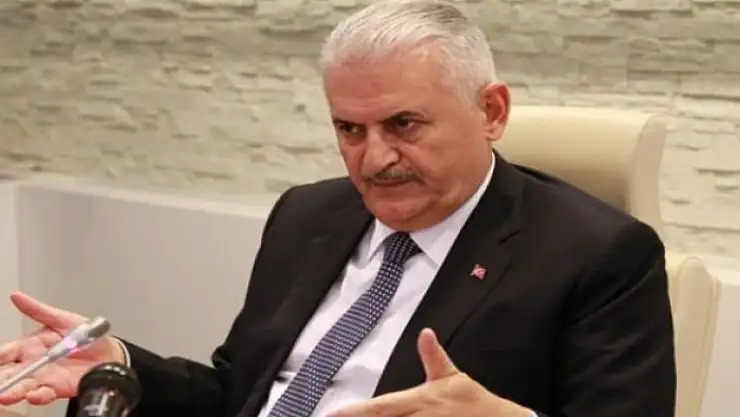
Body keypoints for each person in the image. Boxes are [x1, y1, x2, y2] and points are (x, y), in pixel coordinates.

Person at [0, 1, 676, 416]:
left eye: (404, 124)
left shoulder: (598, 256)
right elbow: (243, 391)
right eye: (350, 129)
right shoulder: (308, 214)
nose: (374, 158)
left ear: (491, 112)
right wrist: (119, 364)